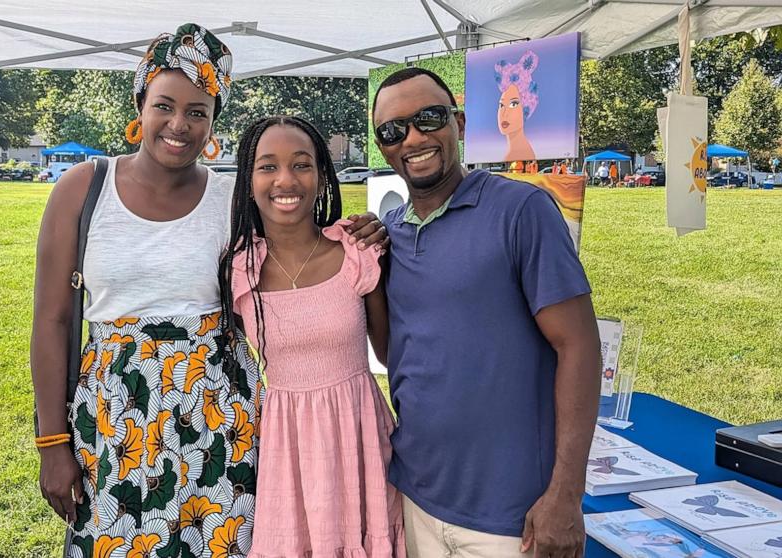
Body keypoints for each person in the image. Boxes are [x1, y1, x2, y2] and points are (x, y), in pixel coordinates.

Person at [30, 23, 389, 556]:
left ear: (213, 121)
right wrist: (52, 442)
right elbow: (52, 321)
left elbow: (304, 241)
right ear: (140, 106)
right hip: (116, 421)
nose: (179, 125)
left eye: (197, 112)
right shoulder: (83, 188)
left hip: (221, 419)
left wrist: (362, 230)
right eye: (164, 106)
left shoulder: (235, 200)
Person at [372, 66, 602, 558]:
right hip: (417, 498)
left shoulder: (523, 211)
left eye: (428, 118)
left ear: (457, 123)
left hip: (513, 516)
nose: (413, 138)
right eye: (392, 130)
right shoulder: (390, 235)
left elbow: (579, 346)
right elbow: (396, 353)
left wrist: (565, 494)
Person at [220, 114, 404, 557]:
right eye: (267, 166)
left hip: (358, 433)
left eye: (302, 164)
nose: (286, 179)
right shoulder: (239, 270)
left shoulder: (357, 252)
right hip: (288, 447)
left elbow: (390, 351)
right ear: (247, 180)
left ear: (322, 176)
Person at [496, 50, 539, 162]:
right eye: (501, 105)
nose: (504, 113)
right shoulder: (511, 152)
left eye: (513, 104)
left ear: (526, 108)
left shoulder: (523, 152)